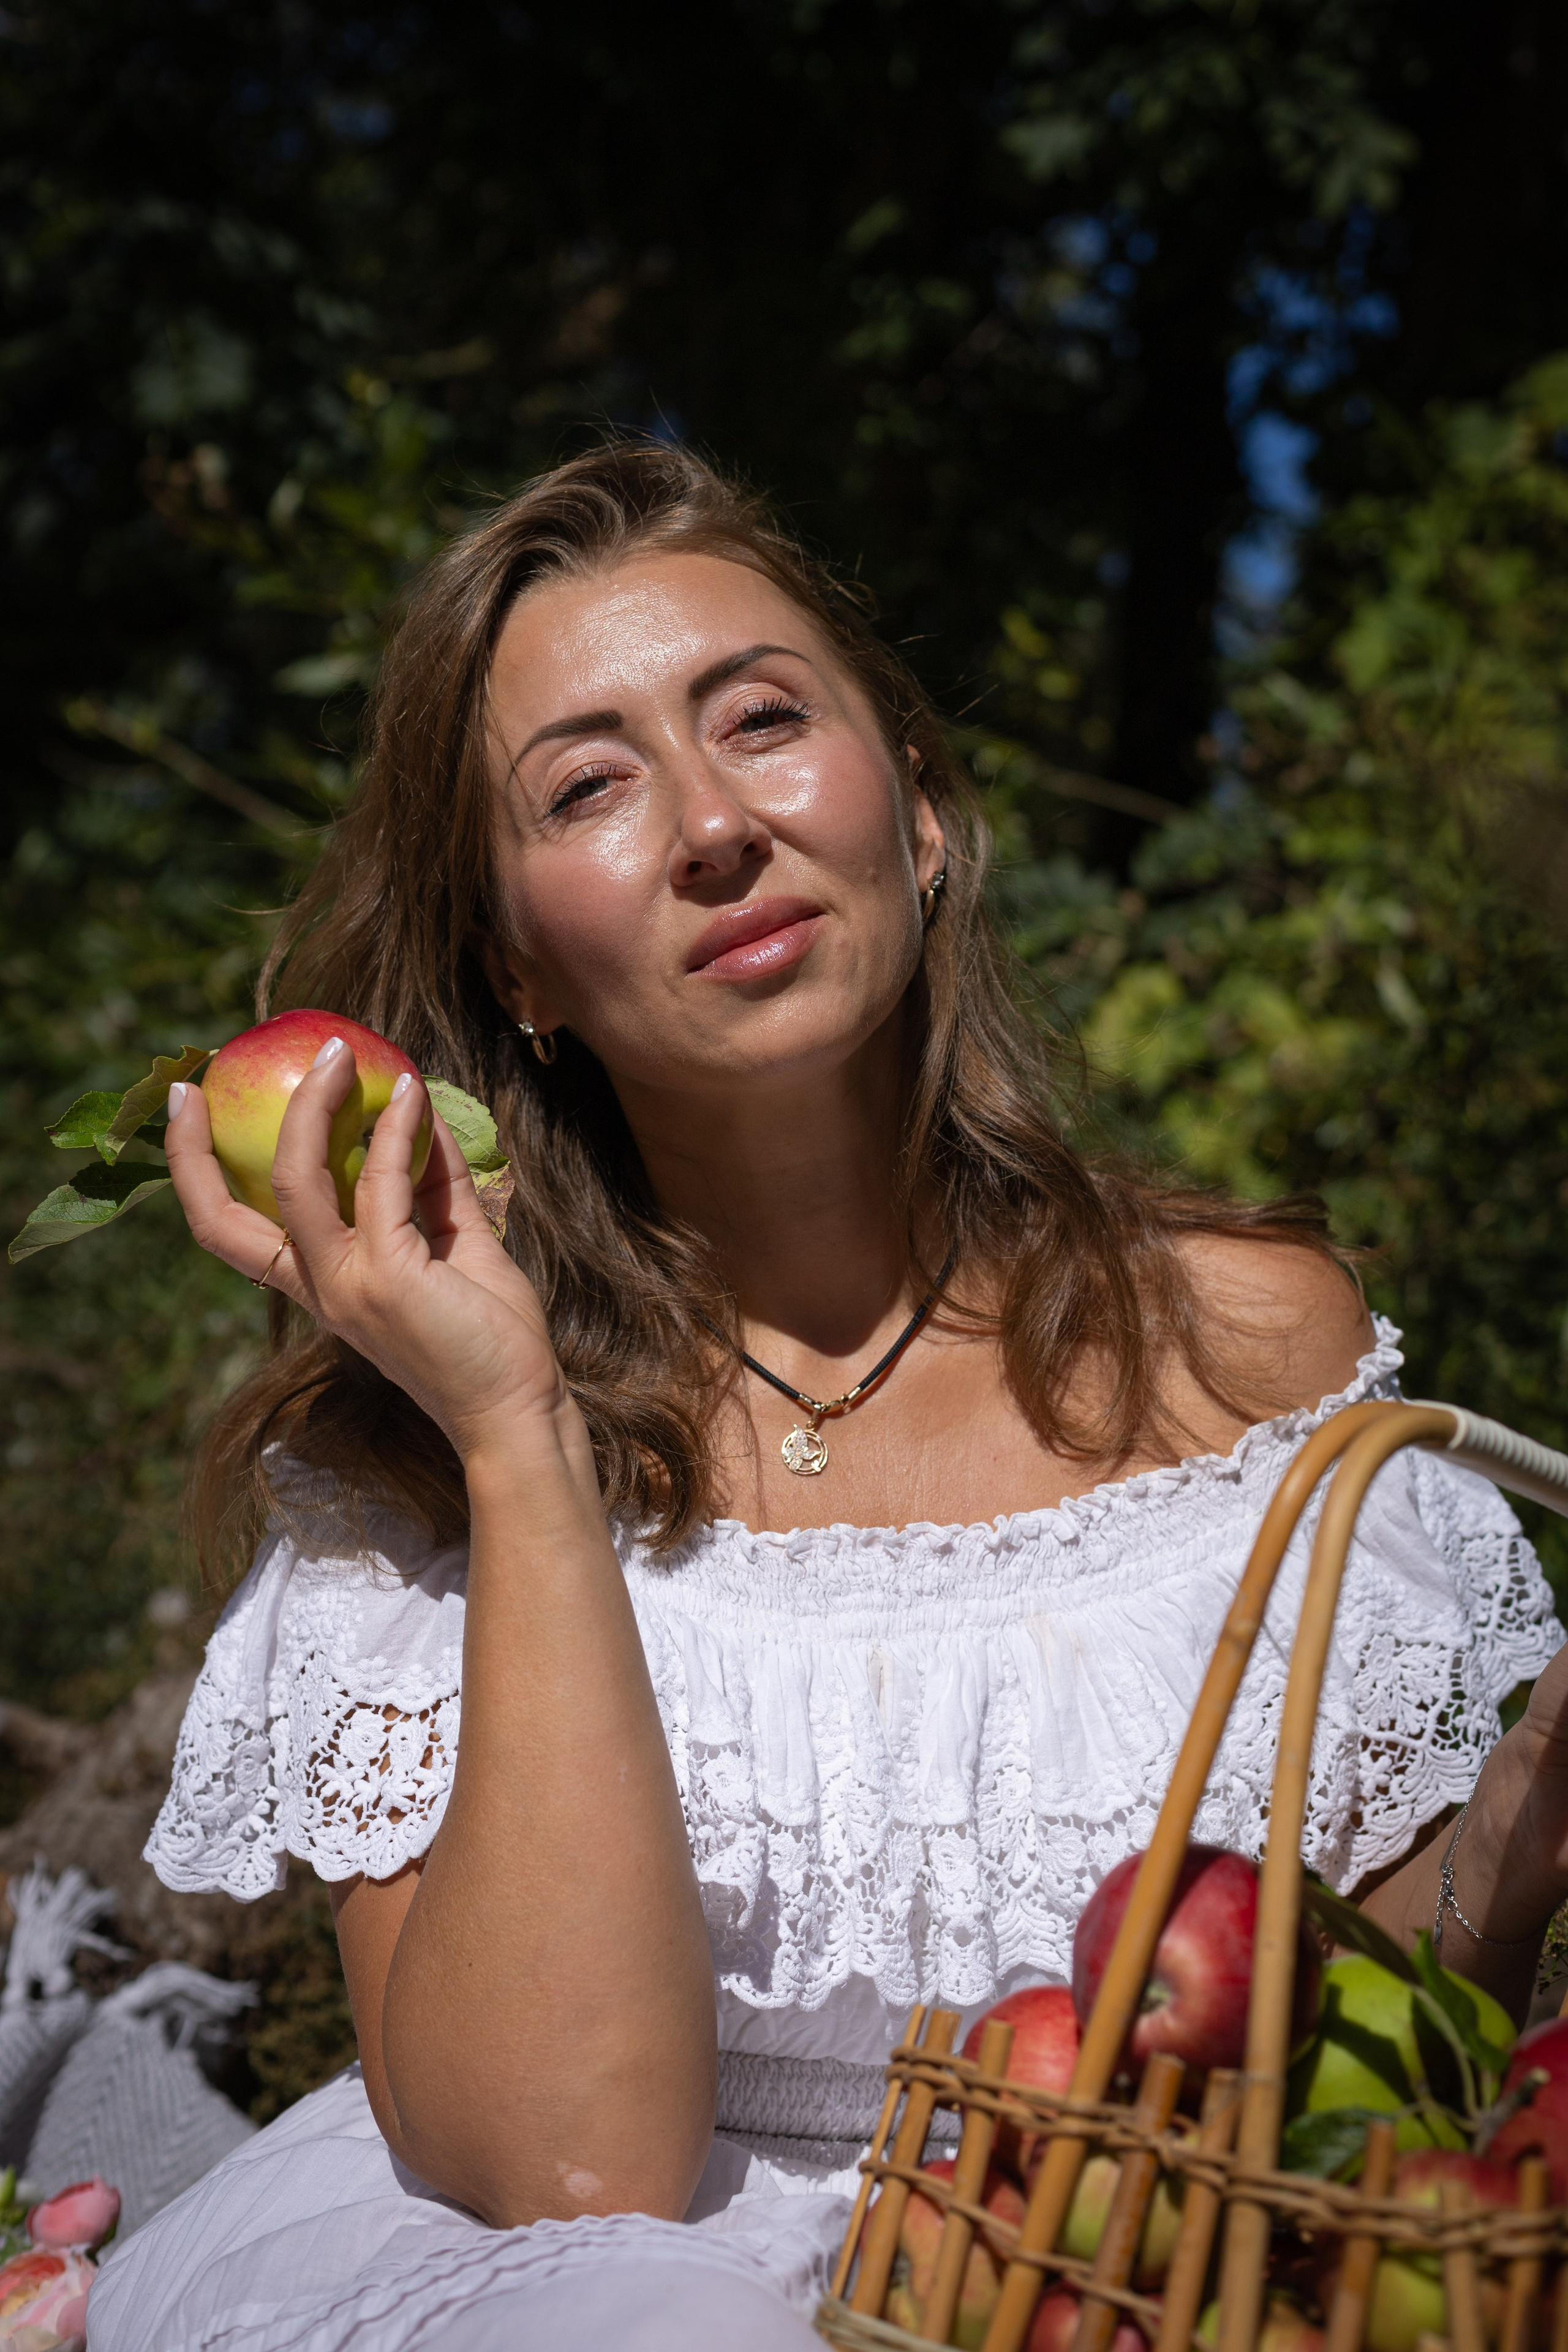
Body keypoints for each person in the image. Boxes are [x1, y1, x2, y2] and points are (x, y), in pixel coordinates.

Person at [89, 445, 1567, 2352]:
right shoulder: (414, 1450)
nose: (713, 823)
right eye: (593, 784)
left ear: (925, 810)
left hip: (1105, 2266)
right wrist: (515, 1431)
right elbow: (569, 2176)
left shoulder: (1246, 1343)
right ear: (517, 965)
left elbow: (1359, 2078)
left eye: (763, 719)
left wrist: (1524, 1815)